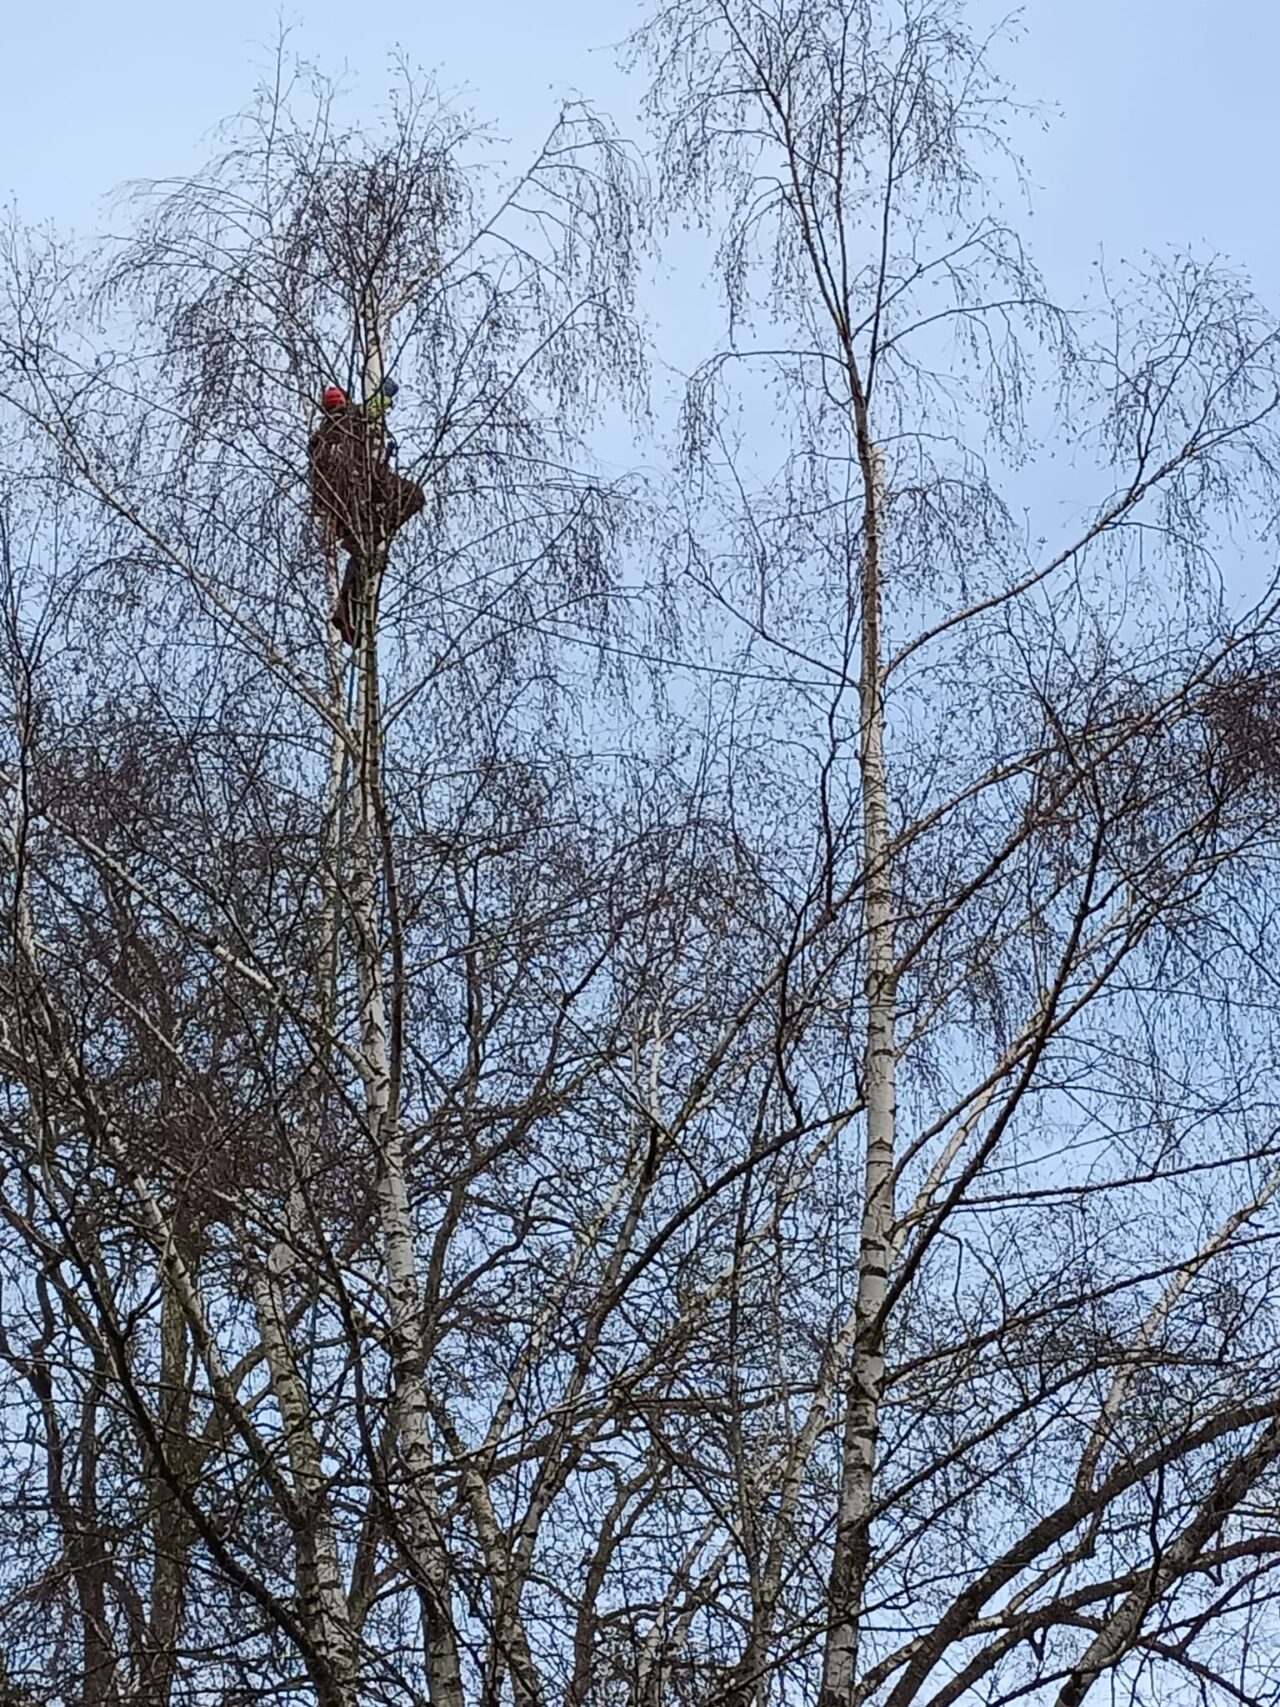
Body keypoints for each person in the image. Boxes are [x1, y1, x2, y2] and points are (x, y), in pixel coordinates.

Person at [308, 383, 424, 645]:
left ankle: (347, 612)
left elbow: (318, 489)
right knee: (412, 497)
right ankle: (347, 611)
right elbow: (373, 409)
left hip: (346, 501)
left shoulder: (321, 438)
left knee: (364, 547)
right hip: (365, 489)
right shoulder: (351, 420)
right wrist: (387, 392)